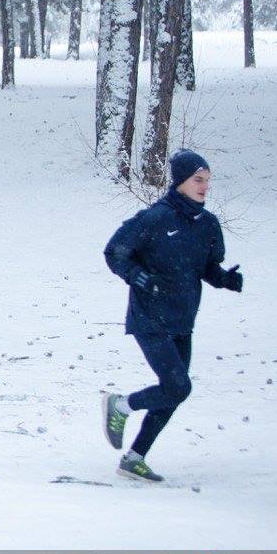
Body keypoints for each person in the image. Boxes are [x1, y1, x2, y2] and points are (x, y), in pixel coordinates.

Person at [101, 150, 245, 482]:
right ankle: (120, 405)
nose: (204, 186)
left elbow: (206, 268)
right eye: (198, 179)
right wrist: (140, 278)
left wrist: (224, 279)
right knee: (178, 386)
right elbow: (115, 252)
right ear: (180, 181)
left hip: (182, 319)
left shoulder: (207, 224)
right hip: (149, 317)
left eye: (208, 180)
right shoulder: (154, 218)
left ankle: (134, 458)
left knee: (174, 390)